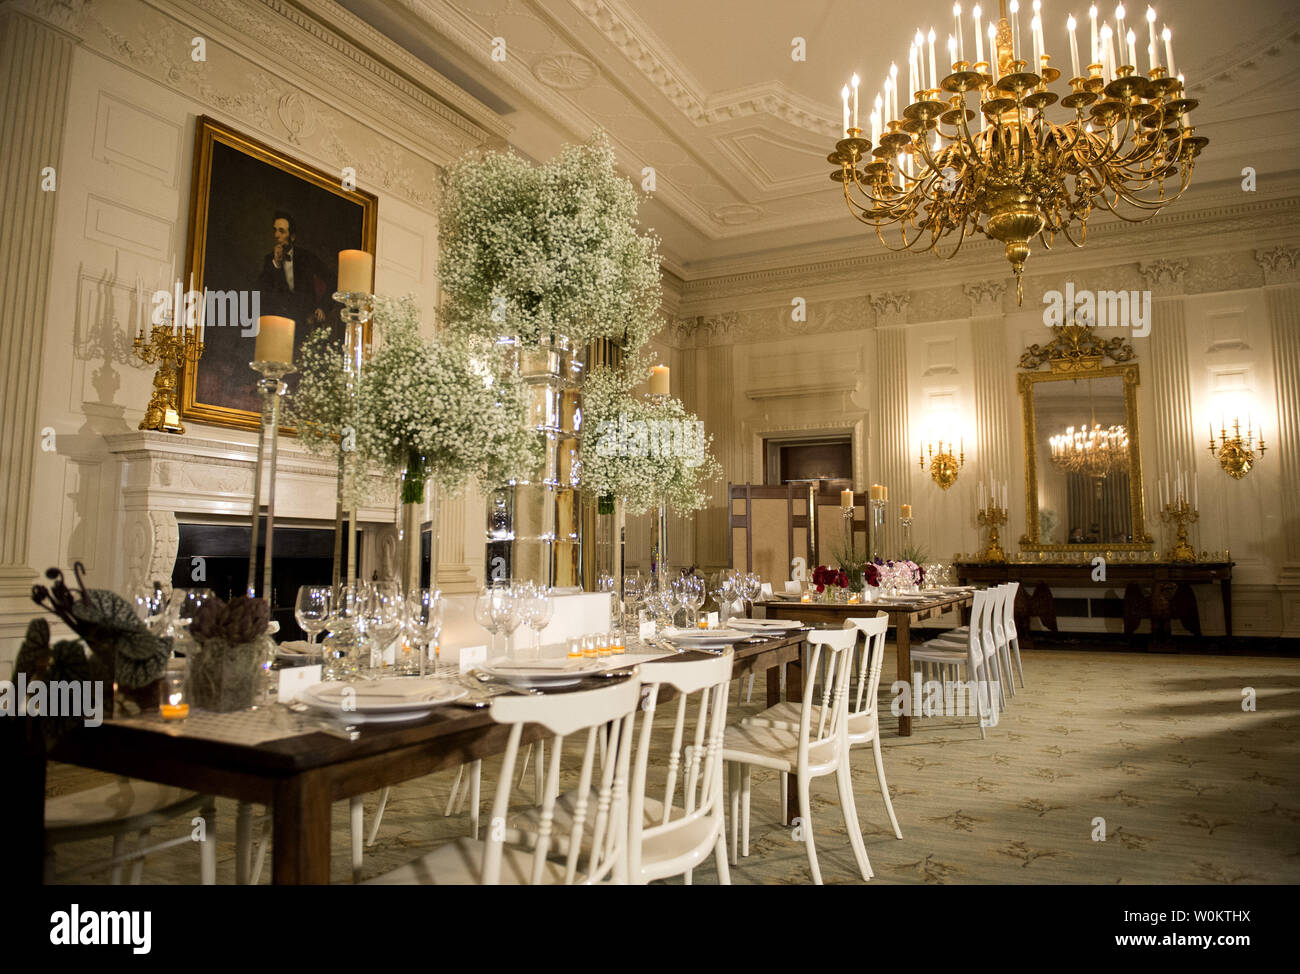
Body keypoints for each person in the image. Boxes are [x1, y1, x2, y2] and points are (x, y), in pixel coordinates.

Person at [256, 210, 334, 332]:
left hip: (305, 323)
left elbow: (332, 280)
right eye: (275, 230)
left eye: (281, 231)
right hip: (278, 325)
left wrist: (323, 307)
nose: (276, 235)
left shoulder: (307, 257)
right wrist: (276, 264)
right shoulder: (269, 260)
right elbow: (262, 291)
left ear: (292, 237)